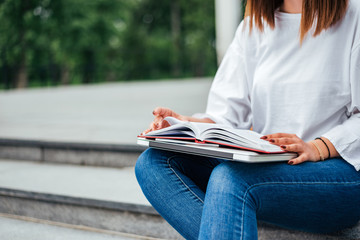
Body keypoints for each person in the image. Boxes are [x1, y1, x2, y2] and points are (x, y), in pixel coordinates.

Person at [135, 0, 360, 239]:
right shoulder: (253, 26)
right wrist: (183, 124)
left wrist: (318, 146)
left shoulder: (353, 15)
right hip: (270, 165)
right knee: (152, 164)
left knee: (231, 179)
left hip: (336, 172)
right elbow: (226, 116)